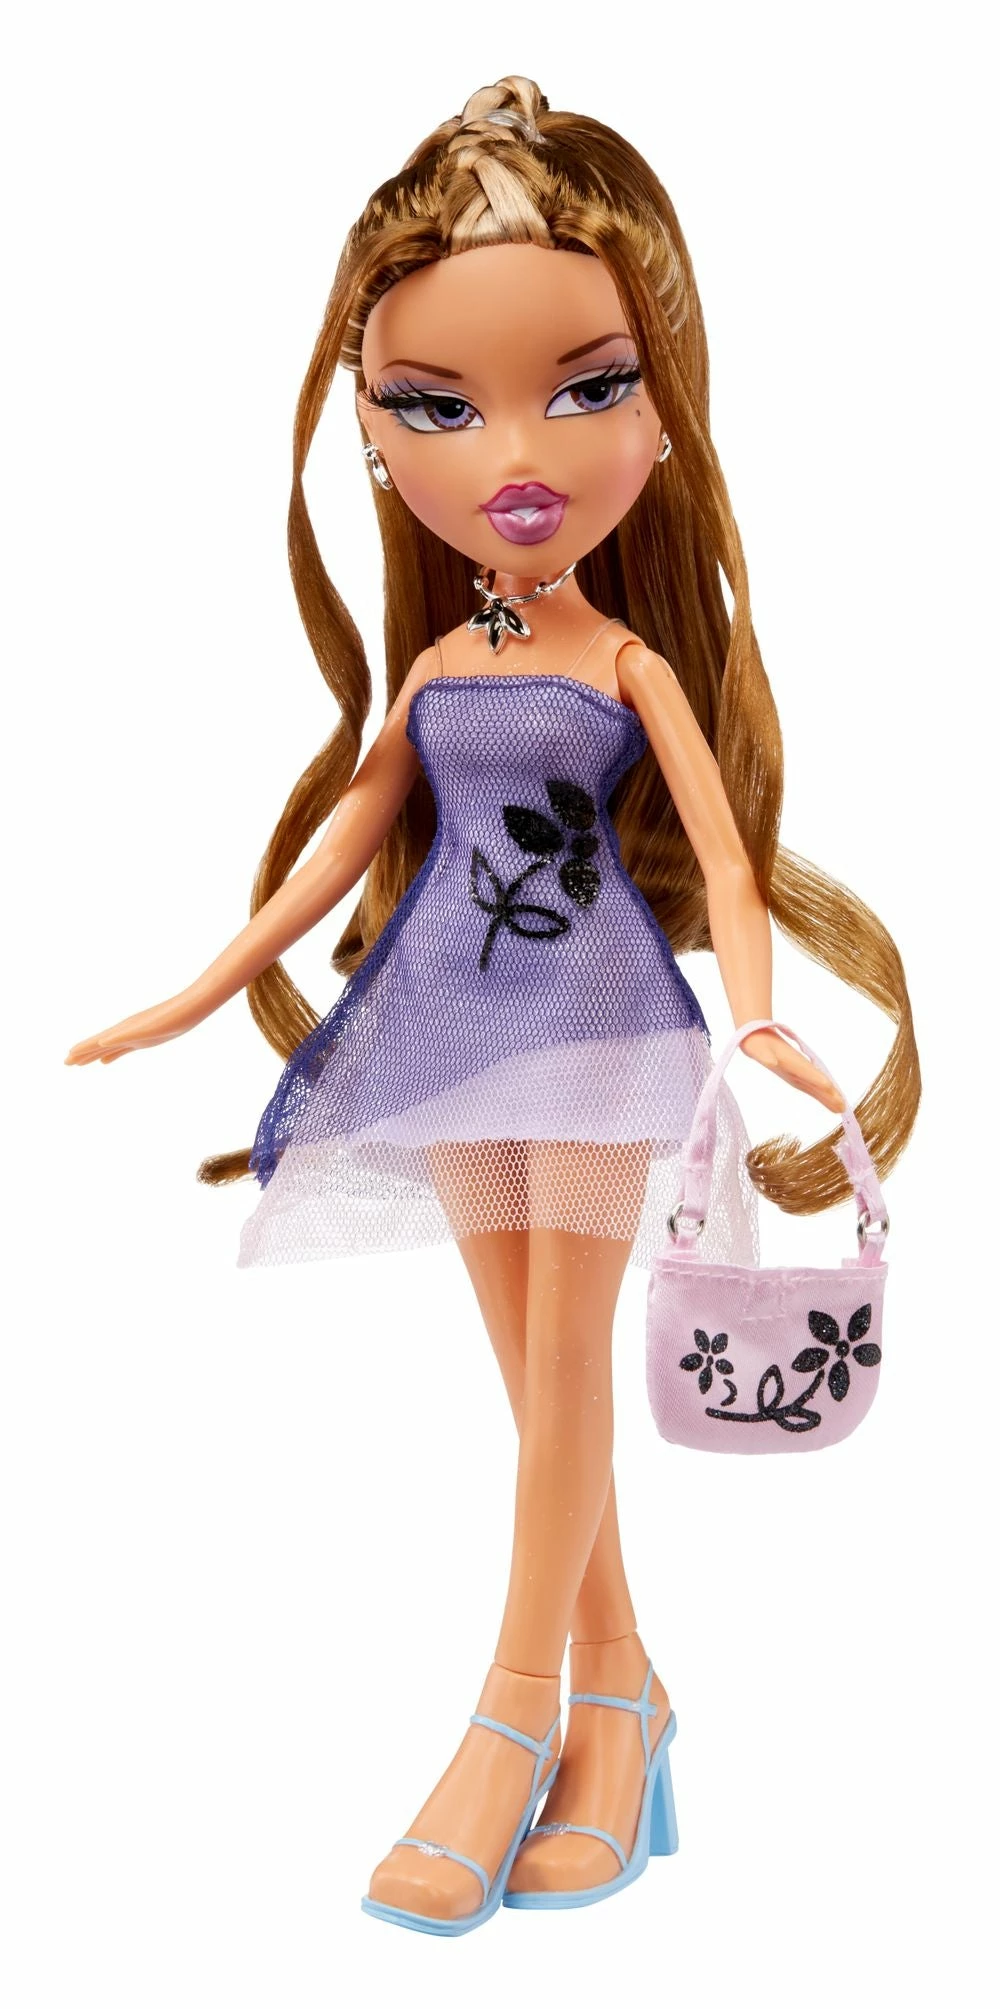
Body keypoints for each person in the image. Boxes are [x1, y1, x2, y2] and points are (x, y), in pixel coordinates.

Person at [65, 76, 919, 1934]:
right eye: (438, 406)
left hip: (600, 1029)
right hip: (445, 1028)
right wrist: (203, 985)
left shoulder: (625, 660)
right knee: (529, 1390)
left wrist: (759, 1016)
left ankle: (511, 1719)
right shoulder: (443, 662)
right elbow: (345, 848)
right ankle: (627, 1706)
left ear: (665, 416)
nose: (511, 453)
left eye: (585, 387)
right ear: (375, 438)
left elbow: (723, 850)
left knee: (565, 1379)